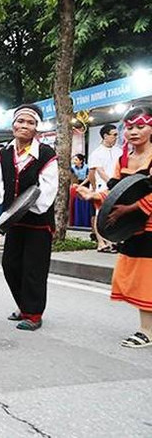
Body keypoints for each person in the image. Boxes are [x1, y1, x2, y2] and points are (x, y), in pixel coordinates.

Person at [0, 104, 59, 331]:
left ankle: (33, 314)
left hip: (38, 222)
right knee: (10, 265)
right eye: (20, 121)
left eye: (30, 122)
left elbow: (46, 193)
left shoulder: (46, 154)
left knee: (34, 268)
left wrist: (22, 208)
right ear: (13, 124)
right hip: (14, 222)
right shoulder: (3, 154)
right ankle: (24, 306)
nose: (24, 126)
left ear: (37, 128)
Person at [77, 106, 152, 348]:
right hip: (134, 227)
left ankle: (146, 331)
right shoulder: (123, 158)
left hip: (148, 224)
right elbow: (115, 193)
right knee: (138, 277)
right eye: (130, 127)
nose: (134, 132)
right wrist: (94, 196)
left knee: (146, 277)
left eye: (141, 126)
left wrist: (129, 209)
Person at [88, 124, 122, 252]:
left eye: (116, 135)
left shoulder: (119, 151)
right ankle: (101, 242)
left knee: (114, 213)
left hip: (118, 187)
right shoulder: (97, 153)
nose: (115, 137)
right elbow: (97, 172)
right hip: (103, 187)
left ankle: (113, 240)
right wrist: (94, 187)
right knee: (99, 214)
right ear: (105, 136)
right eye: (113, 135)